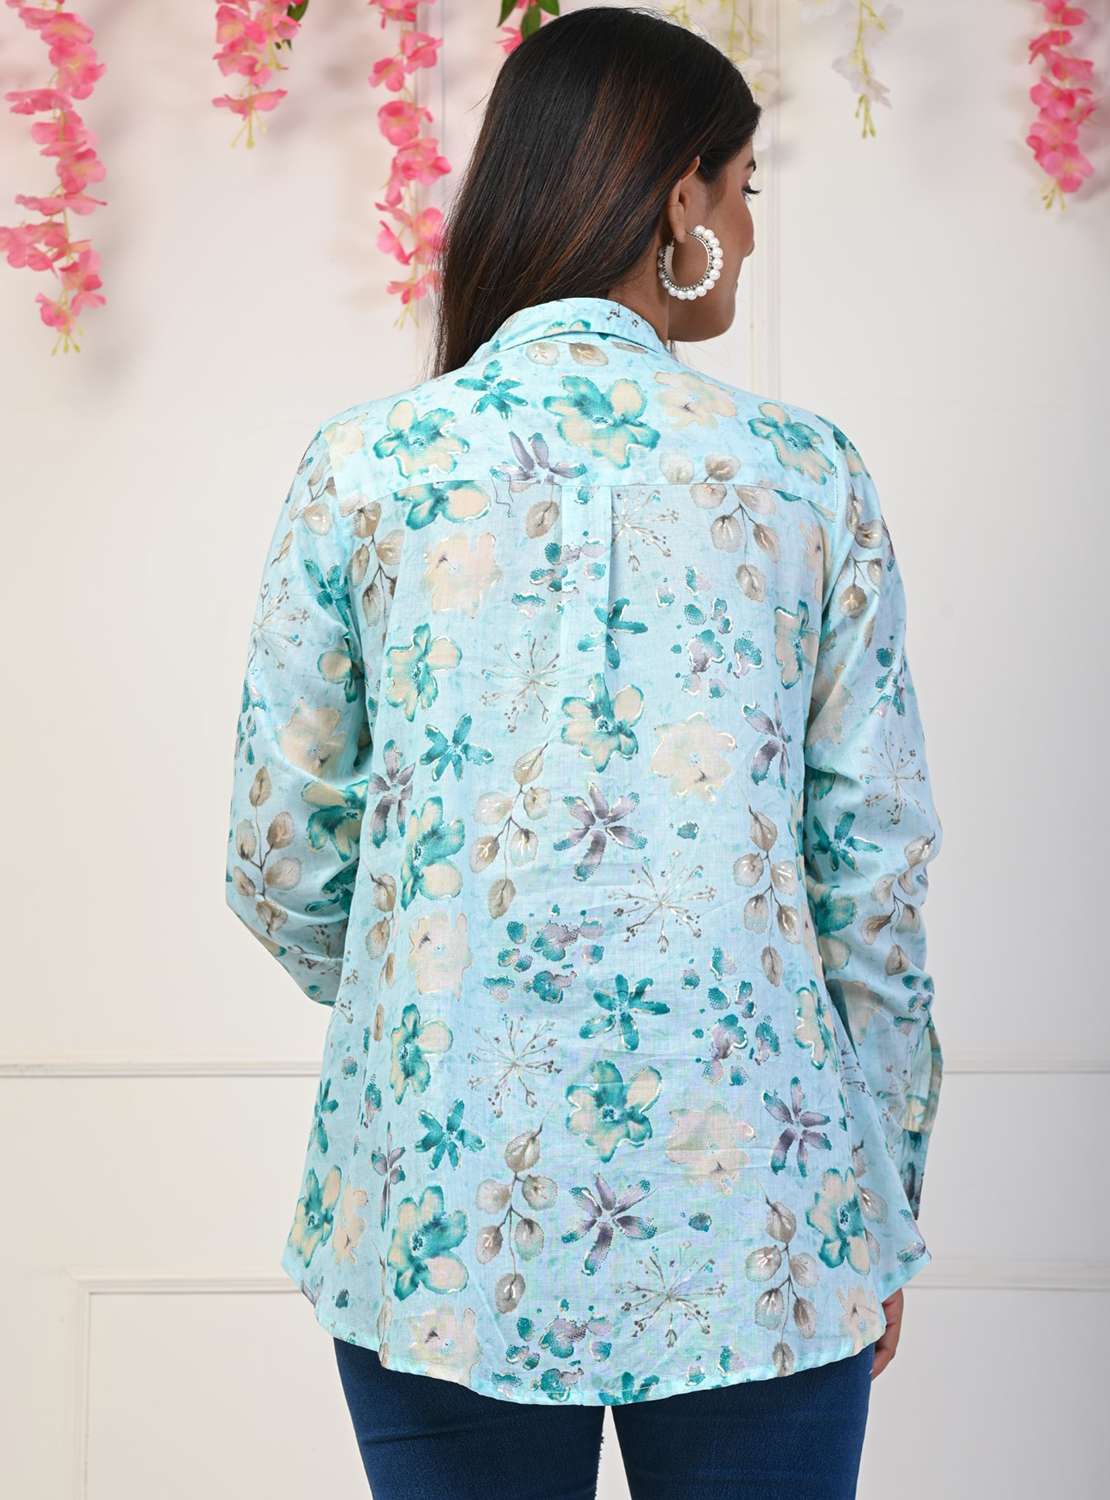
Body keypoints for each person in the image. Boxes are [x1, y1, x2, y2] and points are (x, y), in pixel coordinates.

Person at [223, 7, 944, 1497]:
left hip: (438, 1206)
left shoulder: (367, 467)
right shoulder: (804, 477)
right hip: (763, 1211)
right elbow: (870, 875)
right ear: (681, 199)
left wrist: (447, 993)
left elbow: (280, 856)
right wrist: (881, 1193)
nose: (749, 229)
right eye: (743, 186)